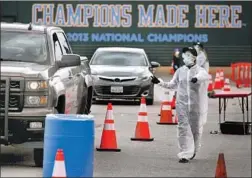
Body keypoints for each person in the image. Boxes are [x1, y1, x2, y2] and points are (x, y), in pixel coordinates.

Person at [151, 47, 209, 163]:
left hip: (195, 105)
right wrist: (160, 82)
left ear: (194, 57)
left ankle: (194, 150)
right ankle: (184, 153)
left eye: (188, 55)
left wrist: (196, 79)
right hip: (181, 103)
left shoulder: (200, 70)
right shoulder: (180, 71)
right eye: (184, 55)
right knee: (182, 128)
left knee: (195, 129)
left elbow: (204, 76)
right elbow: (172, 85)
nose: (185, 57)